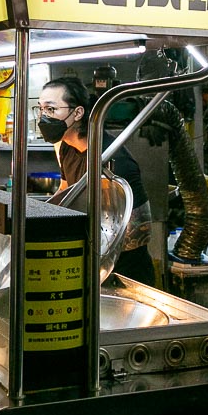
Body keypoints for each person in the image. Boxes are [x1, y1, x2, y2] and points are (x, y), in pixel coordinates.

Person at [38, 75, 155, 286]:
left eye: (51, 109)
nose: (43, 117)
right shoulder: (66, 147)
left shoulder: (113, 160)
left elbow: (141, 231)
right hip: (87, 265)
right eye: (40, 109)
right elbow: (65, 193)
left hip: (123, 274)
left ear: (78, 112)